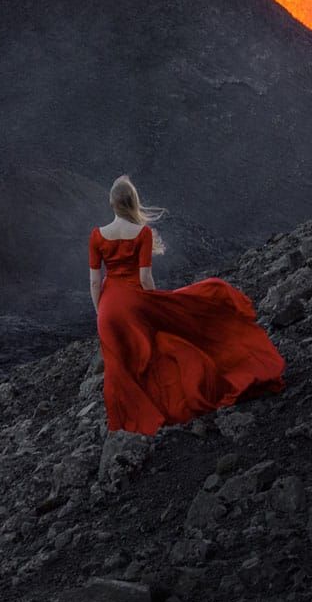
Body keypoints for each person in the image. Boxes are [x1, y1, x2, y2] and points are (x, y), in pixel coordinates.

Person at [88, 173, 286, 435]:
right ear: (133, 202)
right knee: (153, 350)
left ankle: (125, 421)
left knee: (119, 366)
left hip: (108, 308)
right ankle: (162, 403)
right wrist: (158, 305)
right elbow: (145, 278)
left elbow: (94, 281)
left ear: (111, 203)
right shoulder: (142, 233)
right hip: (135, 302)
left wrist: (100, 312)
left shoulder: (97, 236)